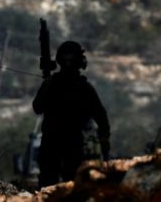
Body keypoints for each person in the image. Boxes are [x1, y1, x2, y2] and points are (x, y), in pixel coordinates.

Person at [32, 41, 110, 188]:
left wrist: (104, 137)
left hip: (70, 143)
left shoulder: (82, 88)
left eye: (70, 60)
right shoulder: (58, 85)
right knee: (55, 184)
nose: (68, 63)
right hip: (55, 142)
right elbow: (37, 107)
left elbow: (101, 116)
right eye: (65, 59)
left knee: (70, 184)